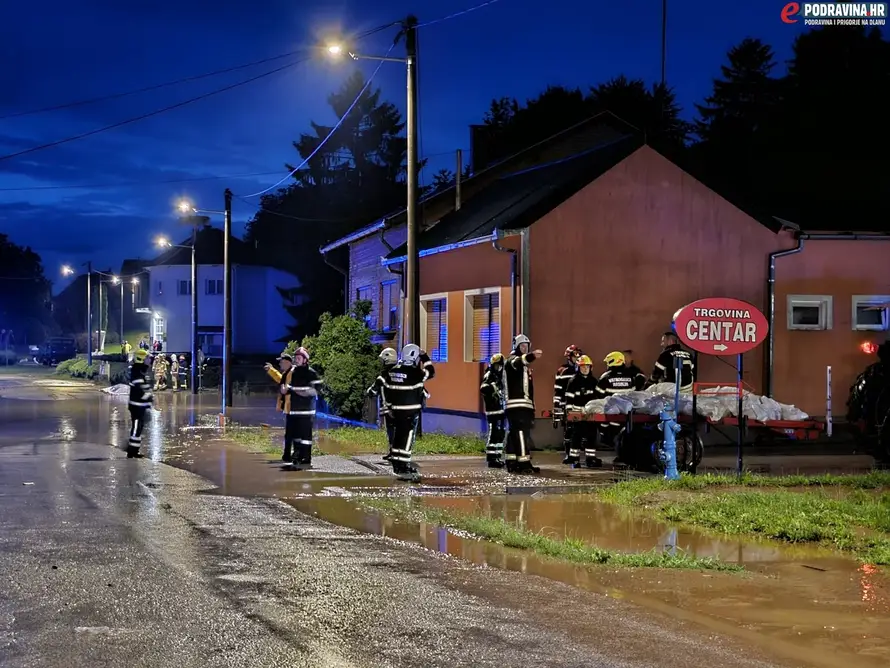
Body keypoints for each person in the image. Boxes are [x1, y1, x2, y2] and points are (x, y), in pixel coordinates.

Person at [264, 347, 323, 469]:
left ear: (305, 359)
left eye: (299, 358)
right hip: (293, 411)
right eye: (295, 358)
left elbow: (313, 391)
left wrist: (292, 389)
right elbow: (284, 384)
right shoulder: (293, 373)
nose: (296, 360)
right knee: (294, 436)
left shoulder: (311, 373)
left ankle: (305, 458)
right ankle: (295, 457)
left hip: (306, 412)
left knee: (305, 437)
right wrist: (285, 390)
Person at [383, 344, 434, 481]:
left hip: (396, 411)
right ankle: (404, 466)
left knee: (398, 437)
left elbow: (388, 390)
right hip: (410, 412)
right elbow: (431, 372)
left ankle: (397, 465)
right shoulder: (417, 373)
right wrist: (424, 356)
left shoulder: (393, 371)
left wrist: (389, 407)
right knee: (407, 439)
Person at [504, 334, 542, 474]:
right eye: (522, 346)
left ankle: (512, 461)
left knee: (514, 433)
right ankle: (524, 463)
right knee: (521, 433)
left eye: (527, 346)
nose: (525, 348)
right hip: (517, 405)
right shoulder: (512, 360)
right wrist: (532, 355)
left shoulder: (523, 366)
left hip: (522, 405)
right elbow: (519, 361)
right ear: (516, 346)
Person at [598, 351, 643, 461]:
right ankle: (624, 456)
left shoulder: (605, 377)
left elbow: (598, 396)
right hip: (628, 415)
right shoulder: (630, 376)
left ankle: (617, 451)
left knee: (612, 436)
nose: (607, 365)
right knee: (626, 437)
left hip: (611, 416)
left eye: (608, 362)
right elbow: (633, 394)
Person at [564, 354, 602, 467]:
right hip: (577, 414)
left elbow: (597, 399)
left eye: (587, 367)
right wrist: (570, 413)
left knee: (591, 435)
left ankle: (590, 458)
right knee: (576, 436)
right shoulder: (573, 381)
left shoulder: (594, 381)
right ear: (578, 368)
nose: (585, 369)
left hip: (590, 414)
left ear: (591, 368)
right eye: (582, 367)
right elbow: (568, 398)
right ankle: (574, 458)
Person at [367, 347, 398, 462]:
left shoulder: (382, 377)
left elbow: (372, 391)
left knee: (391, 430)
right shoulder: (400, 375)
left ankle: (393, 452)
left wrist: (370, 392)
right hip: (402, 408)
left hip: (388, 409)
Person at [553, 344, 582, 465]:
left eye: (578, 356)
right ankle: (569, 455)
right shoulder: (562, 371)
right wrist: (556, 409)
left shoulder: (583, 369)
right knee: (568, 431)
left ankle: (576, 455)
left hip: (580, 406)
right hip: (566, 406)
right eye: (575, 357)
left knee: (579, 431)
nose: (577, 359)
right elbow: (558, 391)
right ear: (569, 357)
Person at [479, 353, 507, 468]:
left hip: (501, 410)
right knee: (494, 433)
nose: (499, 368)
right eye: (497, 366)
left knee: (501, 433)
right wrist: (494, 387)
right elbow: (483, 388)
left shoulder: (501, 377)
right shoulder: (489, 375)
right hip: (493, 410)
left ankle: (498, 456)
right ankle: (491, 458)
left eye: (501, 366)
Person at [126, 349, 154, 459]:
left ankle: (134, 450)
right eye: (147, 358)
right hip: (136, 407)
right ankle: (131, 451)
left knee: (139, 428)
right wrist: (148, 396)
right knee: (136, 428)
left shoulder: (141, 370)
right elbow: (141, 389)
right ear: (141, 359)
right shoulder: (137, 371)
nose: (149, 360)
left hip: (140, 406)